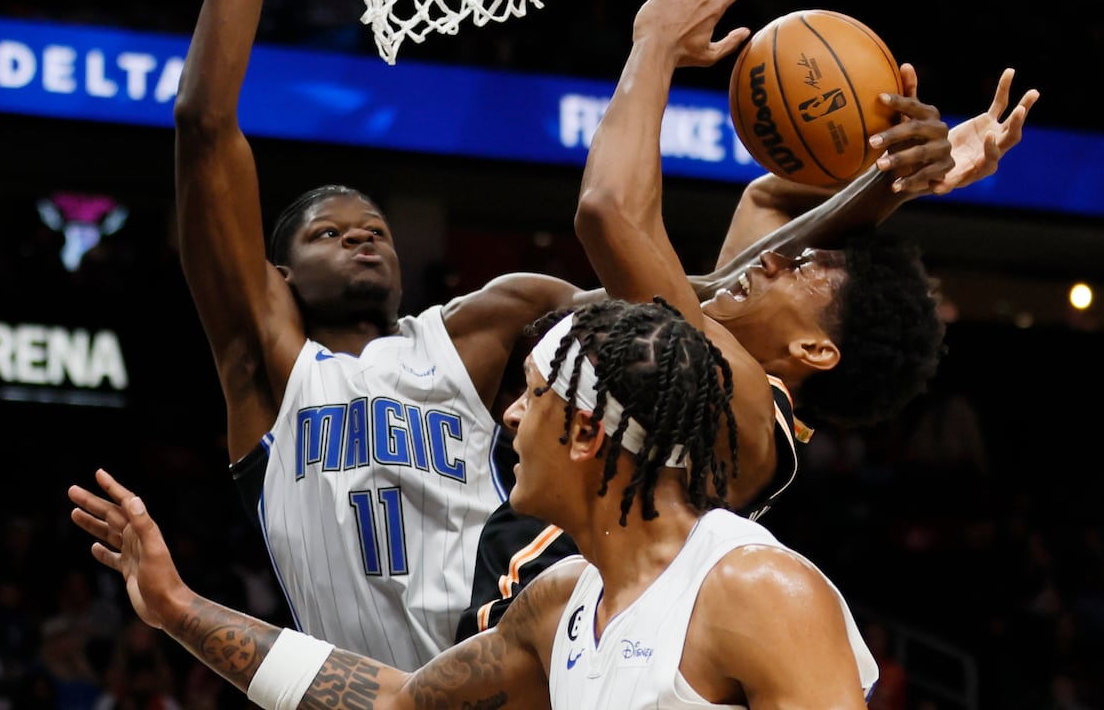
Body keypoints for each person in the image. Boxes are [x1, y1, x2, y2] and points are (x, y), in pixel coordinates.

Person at [458, 0, 1038, 638]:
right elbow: (764, 198)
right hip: (512, 627)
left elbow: (609, 211)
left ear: (815, 349)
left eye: (802, 267)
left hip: (523, 657)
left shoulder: (736, 408)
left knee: (544, 301)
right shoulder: (730, 356)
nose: (774, 254)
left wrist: (656, 44)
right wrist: (901, 173)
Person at [171, 0, 592, 669]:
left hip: (513, 679)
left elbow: (666, 310)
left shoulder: (475, 334)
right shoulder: (269, 366)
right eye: (329, 233)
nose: (364, 238)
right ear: (277, 274)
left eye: (374, 230)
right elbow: (205, 122)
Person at [70, 299, 880, 709]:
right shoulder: (558, 602)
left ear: (589, 433)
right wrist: (176, 609)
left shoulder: (755, 591)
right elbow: (396, 701)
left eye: (532, 395)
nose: (512, 417)